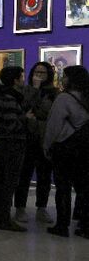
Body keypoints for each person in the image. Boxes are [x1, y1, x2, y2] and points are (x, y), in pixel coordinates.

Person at [44, 66, 89, 237]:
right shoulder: (86, 97)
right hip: (85, 149)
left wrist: (47, 146)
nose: (62, 80)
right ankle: (85, 225)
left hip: (65, 148)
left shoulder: (64, 98)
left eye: (64, 77)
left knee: (63, 188)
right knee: (84, 188)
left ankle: (62, 225)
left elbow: (53, 126)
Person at [14, 62, 57, 223]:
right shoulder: (26, 90)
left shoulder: (54, 92)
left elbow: (50, 112)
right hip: (28, 137)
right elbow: (23, 107)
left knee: (44, 175)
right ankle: (20, 208)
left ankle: (42, 208)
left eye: (43, 73)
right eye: (37, 72)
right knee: (24, 175)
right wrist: (35, 89)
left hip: (45, 138)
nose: (39, 75)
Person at [0, 66, 29, 231]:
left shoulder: (1, 95)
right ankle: (4, 218)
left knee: (0, 182)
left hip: (1, 143)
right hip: (11, 144)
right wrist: (27, 119)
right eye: (21, 77)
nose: (23, 79)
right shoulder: (9, 98)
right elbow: (12, 124)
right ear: (15, 80)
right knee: (8, 182)